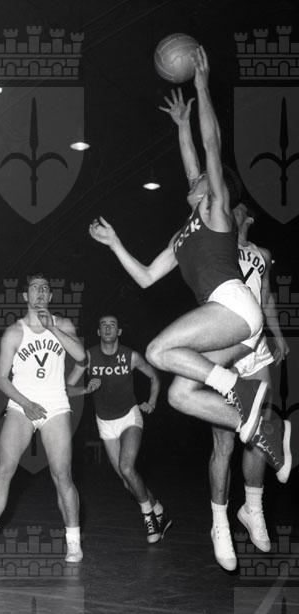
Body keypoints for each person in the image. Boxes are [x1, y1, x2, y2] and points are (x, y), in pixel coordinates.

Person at [89, 46, 291, 481]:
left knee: (158, 351)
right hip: (227, 323)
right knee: (180, 395)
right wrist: (115, 243)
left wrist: (201, 85)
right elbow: (146, 277)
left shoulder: (216, 209)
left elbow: (210, 145)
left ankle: (240, 390)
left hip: (233, 305)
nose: (194, 177)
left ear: (212, 190)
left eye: (199, 179)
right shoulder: (182, 236)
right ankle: (264, 427)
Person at [0, 274, 86, 563]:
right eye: (34, 288)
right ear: (25, 296)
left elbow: (82, 358)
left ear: (50, 297)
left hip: (55, 406)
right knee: (3, 469)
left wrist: (51, 327)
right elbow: (0, 378)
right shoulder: (14, 332)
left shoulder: (64, 324)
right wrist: (25, 403)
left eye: (45, 288)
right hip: (21, 405)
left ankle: (73, 543)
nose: (40, 292)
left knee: (62, 474)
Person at [204, 203, 290, 570]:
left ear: (249, 218)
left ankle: (252, 508)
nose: (230, 211)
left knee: (262, 432)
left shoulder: (262, 255)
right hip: (224, 347)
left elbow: (266, 297)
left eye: (237, 209)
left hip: (256, 349)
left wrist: (278, 335)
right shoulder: (214, 243)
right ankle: (219, 522)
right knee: (223, 444)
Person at [67, 315, 172, 543]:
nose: (107, 328)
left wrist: (152, 402)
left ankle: (149, 518)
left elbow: (154, 377)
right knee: (127, 480)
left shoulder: (131, 356)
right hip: (105, 423)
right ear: (98, 331)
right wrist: (85, 390)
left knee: (126, 467)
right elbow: (67, 388)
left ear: (119, 332)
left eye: (112, 324)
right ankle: (158, 509)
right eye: (103, 324)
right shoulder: (88, 357)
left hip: (129, 417)